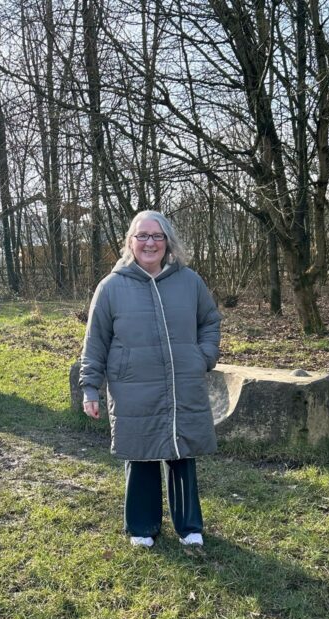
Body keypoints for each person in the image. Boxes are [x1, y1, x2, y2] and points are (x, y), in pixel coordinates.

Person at [79, 210, 221, 548]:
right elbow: (95, 339)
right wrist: (90, 388)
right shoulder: (111, 286)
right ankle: (142, 526)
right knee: (140, 452)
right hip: (132, 386)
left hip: (181, 381)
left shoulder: (189, 281)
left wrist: (203, 357)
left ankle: (188, 526)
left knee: (181, 451)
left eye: (157, 236)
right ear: (130, 241)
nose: (150, 243)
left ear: (168, 242)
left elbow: (210, 321)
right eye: (142, 236)